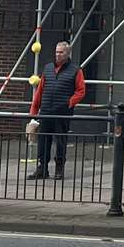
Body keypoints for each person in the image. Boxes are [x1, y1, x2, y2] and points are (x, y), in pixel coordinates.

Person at [28, 40, 85, 180]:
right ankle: (42, 168)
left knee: (61, 140)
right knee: (43, 140)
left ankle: (59, 167)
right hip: (46, 110)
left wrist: (69, 103)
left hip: (62, 111)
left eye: (61, 52)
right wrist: (34, 110)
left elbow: (81, 91)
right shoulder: (47, 68)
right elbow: (40, 90)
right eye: (56, 52)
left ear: (68, 53)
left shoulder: (76, 70)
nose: (58, 55)